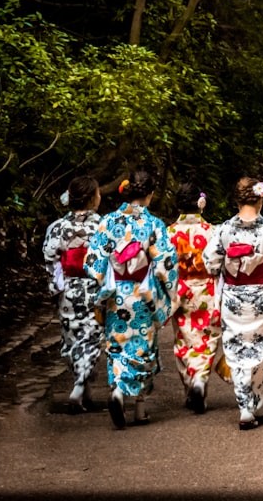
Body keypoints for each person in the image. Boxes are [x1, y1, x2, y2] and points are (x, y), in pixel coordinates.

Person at [84, 168, 178, 429]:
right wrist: (166, 291)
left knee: (118, 343)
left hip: (116, 294)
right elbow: (166, 264)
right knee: (143, 347)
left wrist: (105, 280)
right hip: (143, 293)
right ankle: (139, 409)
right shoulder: (154, 225)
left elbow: (93, 262)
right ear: (150, 194)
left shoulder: (108, 222)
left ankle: (117, 392)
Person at [203, 177, 263, 430]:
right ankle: (259, 403)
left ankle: (244, 408)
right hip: (261, 295)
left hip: (233, 297)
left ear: (237, 200)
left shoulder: (224, 230)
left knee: (237, 350)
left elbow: (210, 263)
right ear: (261, 199)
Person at [167, 182, 230, 414]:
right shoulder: (212, 231)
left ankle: (190, 382)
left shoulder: (169, 233)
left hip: (179, 289)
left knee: (183, 338)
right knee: (208, 337)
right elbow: (221, 263)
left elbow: (163, 266)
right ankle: (200, 378)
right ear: (201, 205)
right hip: (207, 288)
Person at [41, 175, 103, 412]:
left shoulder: (57, 227)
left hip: (69, 288)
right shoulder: (103, 225)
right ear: (92, 198)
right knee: (93, 336)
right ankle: (80, 386)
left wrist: (56, 286)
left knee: (72, 336)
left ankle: (83, 389)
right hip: (95, 288)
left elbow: (50, 258)